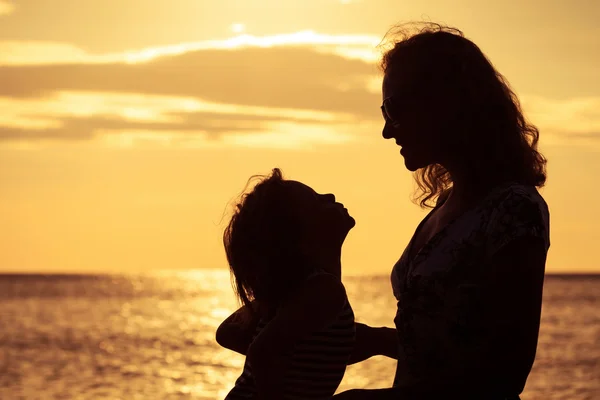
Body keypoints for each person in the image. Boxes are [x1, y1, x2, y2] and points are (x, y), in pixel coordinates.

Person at [333, 23, 550, 400]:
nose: (387, 130)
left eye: (395, 109)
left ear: (446, 103)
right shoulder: (447, 207)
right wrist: (378, 340)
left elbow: (504, 371)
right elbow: (455, 344)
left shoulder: (514, 210)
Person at [217, 168, 357, 400]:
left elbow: (228, 333)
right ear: (300, 235)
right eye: (316, 200)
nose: (330, 196)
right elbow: (262, 351)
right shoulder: (322, 289)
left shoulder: (297, 293)